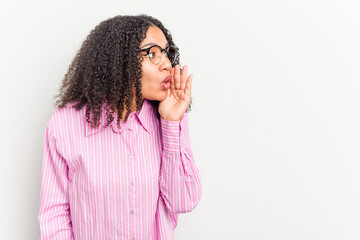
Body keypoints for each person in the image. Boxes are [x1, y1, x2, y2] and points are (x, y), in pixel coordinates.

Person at [38, 15, 202, 239]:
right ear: (120, 60)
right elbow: (54, 215)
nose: (167, 64)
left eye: (167, 53)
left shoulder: (169, 121)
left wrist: (172, 123)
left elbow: (183, 201)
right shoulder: (65, 124)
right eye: (152, 53)